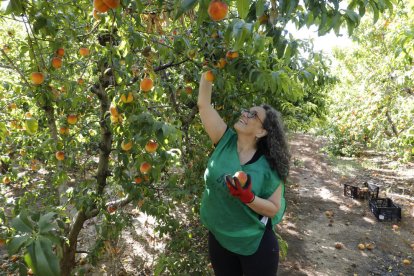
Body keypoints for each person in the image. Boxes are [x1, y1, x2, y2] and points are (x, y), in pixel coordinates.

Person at [197, 72, 290, 276]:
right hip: (219, 238)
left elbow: (273, 209)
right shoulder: (224, 140)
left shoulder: (269, 166)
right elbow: (204, 105)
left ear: (261, 132)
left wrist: (248, 198)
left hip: (254, 243)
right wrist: (209, 69)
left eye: (253, 115)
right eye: (247, 110)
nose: (245, 113)